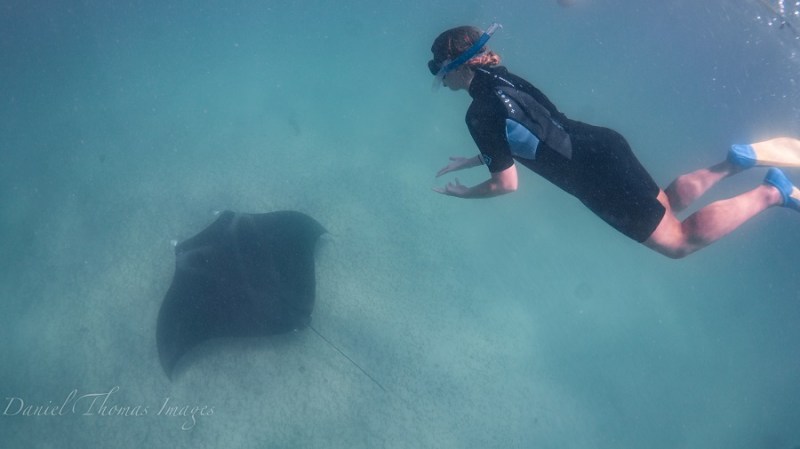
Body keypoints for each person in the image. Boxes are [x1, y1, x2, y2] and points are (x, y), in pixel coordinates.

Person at [428, 24, 800, 259]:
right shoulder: (502, 75)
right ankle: (734, 163)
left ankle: (772, 193)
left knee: (678, 242)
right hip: (602, 145)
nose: (441, 80)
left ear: (457, 66)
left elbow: (506, 183)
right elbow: (525, 130)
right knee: (665, 204)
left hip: (594, 177)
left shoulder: (478, 114)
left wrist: (466, 193)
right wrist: (479, 157)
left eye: (439, 70)